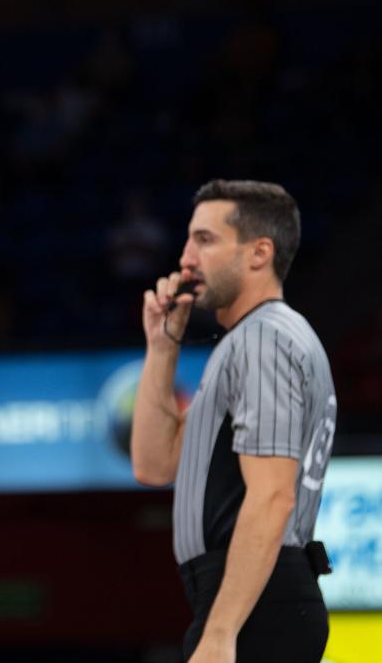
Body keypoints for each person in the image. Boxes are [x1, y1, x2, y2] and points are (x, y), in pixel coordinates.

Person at [131, 180, 337, 663]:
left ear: (259, 253)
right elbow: (154, 465)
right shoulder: (251, 339)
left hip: (256, 602)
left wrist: (222, 632)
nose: (185, 257)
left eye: (205, 240)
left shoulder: (263, 339)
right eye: (188, 239)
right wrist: (161, 347)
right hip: (253, 598)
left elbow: (272, 496)